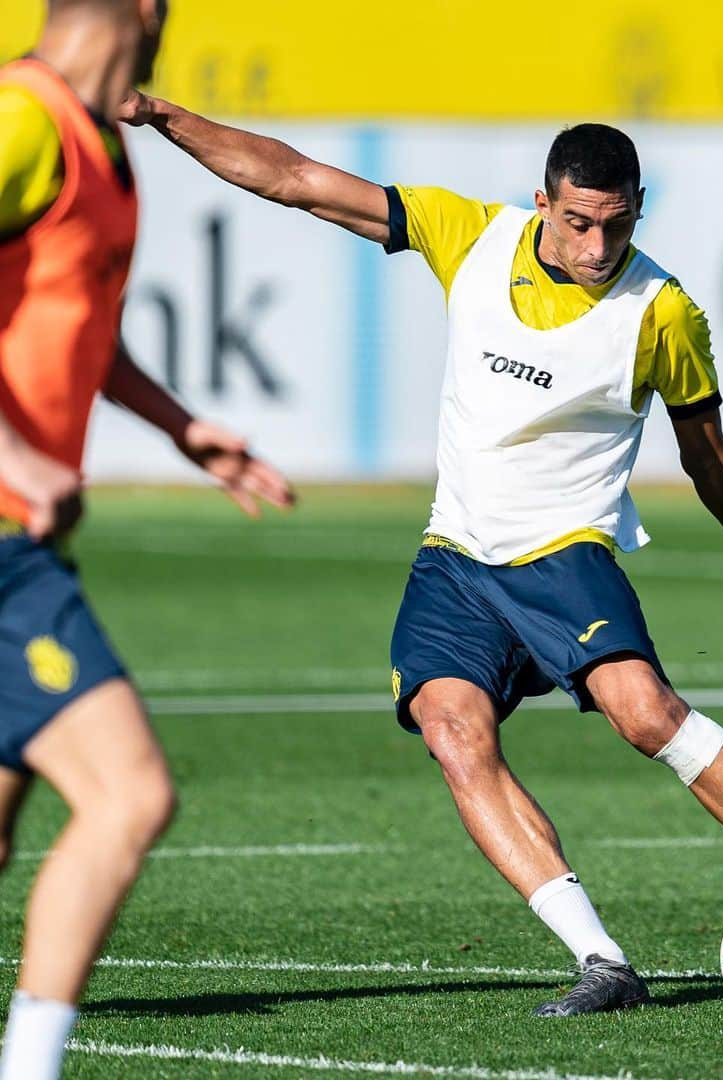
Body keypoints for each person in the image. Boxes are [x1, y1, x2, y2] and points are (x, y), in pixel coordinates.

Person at [120, 93, 723, 1016]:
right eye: (579, 223)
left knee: (644, 716)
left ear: (638, 208)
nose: (600, 247)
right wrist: (165, 117)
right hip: (455, 556)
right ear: (542, 203)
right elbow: (292, 179)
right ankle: (602, 962)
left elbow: (706, 452)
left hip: (563, 550)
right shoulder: (468, 237)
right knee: (451, 731)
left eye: (618, 224)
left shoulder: (663, 311)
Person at [0, 3, 295, 1076]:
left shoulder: (95, 139)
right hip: (3, 540)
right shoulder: (23, 119)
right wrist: (17, 460)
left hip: (20, 542)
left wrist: (184, 430)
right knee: (131, 794)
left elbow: (68, 316)